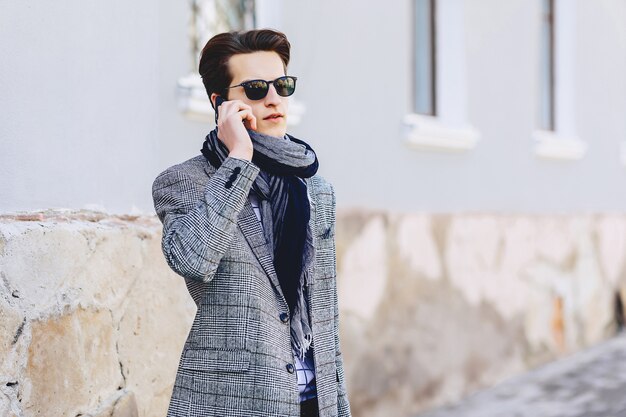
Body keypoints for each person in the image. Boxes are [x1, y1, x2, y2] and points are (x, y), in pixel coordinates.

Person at [152, 28, 352, 417]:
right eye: (256, 89)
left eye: (282, 85)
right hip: (232, 402)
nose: (274, 99)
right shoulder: (184, 182)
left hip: (314, 400)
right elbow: (192, 260)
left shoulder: (316, 188)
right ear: (220, 102)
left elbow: (323, 316)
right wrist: (239, 158)